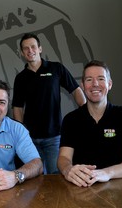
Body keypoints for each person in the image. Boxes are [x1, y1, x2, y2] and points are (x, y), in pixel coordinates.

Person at [57, 60, 122, 187]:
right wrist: (68, 169)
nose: (95, 84)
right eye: (89, 79)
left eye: (101, 79)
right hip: (82, 188)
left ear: (109, 84)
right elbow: (64, 158)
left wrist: (106, 173)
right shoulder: (71, 120)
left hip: (121, 188)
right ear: (83, 85)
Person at [12, 33, 86, 174]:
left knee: (55, 177)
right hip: (31, 139)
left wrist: (85, 112)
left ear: (40, 48)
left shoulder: (55, 68)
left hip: (54, 137)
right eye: (26, 48)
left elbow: (76, 90)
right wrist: (22, 134)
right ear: (22, 53)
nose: (30, 51)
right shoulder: (20, 78)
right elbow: (18, 107)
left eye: (33, 47)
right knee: (35, 178)